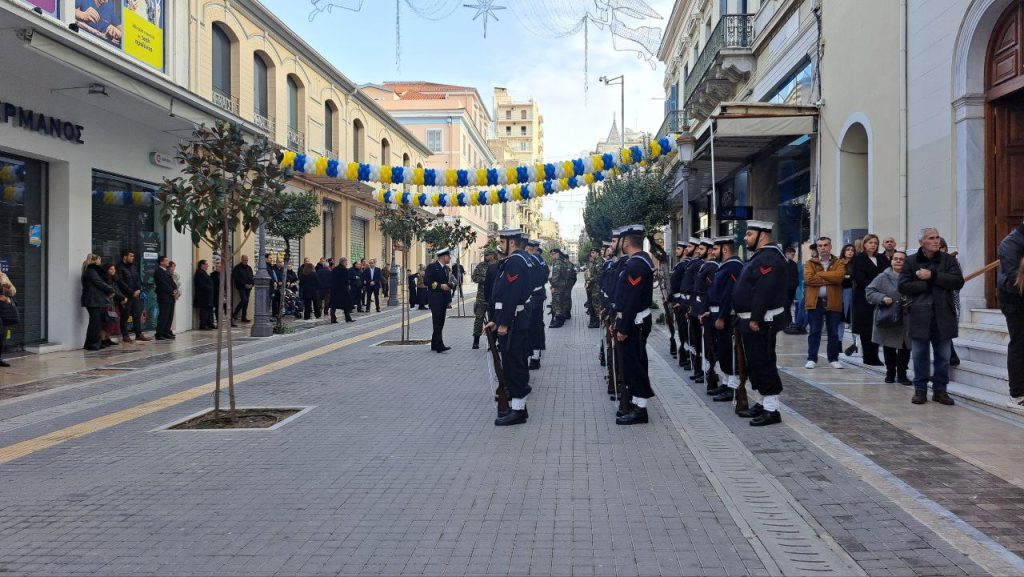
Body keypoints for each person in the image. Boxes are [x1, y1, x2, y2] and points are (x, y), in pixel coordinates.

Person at [899, 227, 965, 406]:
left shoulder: (948, 260)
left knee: (943, 356)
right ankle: (920, 390)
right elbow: (903, 286)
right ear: (922, 242)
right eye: (931, 238)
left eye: (937, 237)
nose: (936, 241)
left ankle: (940, 390)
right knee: (920, 355)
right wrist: (925, 284)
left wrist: (932, 275)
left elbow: (958, 282)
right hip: (919, 314)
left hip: (944, 314)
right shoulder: (911, 261)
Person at [733, 221, 789, 426]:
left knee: (763, 363)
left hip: (761, 322)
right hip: (751, 320)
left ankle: (772, 409)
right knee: (756, 363)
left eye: (749, 234)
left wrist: (755, 318)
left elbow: (764, 291)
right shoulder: (761, 256)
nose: (746, 238)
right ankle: (764, 402)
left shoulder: (769, 257)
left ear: (762, 236)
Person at [486, 229, 535, 426]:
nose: (500, 246)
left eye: (502, 242)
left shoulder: (515, 261)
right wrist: (496, 320)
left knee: (513, 366)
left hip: (513, 322)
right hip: (515, 319)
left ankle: (518, 410)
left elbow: (512, 295)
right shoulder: (524, 259)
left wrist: (503, 322)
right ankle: (518, 407)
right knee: (516, 364)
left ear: (511, 243)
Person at [611, 225, 656, 425]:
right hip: (634, 321)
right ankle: (637, 404)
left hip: (635, 323)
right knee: (632, 365)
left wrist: (623, 327)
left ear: (626, 242)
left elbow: (631, 300)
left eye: (620, 240)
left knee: (635, 365)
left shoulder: (636, 265)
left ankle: (641, 410)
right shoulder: (636, 262)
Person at [707, 237, 745, 406]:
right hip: (719, 314)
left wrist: (722, 316)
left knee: (729, 351)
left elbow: (728, 294)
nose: (712, 252)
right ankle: (727, 382)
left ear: (724, 249)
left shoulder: (733, 266)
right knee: (722, 351)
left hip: (727, 316)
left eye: (715, 249)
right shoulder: (726, 266)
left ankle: (733, 386)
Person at [866, 250, 912, 385]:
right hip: (888, 317)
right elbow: (869, 292)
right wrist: (882, 298)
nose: (898, 261)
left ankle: (902, 374)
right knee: (889, 346)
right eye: (895, 259)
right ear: (891, 261)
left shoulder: (911, 277)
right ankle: (890, 373)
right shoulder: (883, 277)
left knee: (905, 346)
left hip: (907, 317)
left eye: (901, 259)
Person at [804, 237, 846, 370]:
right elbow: (809, 279)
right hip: (815, 301)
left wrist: (821, 274)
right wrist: (830, 277)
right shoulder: (810, 263)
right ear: (817, 248)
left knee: (833, 332)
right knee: (815, 331)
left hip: (833, 301)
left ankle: (833, 358)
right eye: (820, 246)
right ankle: (811, 359)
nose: (823, 248)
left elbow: (839, 278)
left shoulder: (838, 262)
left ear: (830, 247)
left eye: (825, 245)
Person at [851, 234, 889, 366]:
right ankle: (868, 356)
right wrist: (874, 288)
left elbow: (887, 274)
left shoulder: (881, 258)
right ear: (864, 244)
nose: (873, 245)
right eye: (870, 242)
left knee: (877, 327)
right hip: (864, 298)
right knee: (866, 328)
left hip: (880, 296)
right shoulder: (859, 259)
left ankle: (875, 355)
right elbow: (860, 278)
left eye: (875, 243)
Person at [998, 220, 1024, 408]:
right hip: (1015, 302)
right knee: (1019, 344)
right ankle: (1016, 394)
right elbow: (1015, 277)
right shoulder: (1011, 243)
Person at [694, 239, 722, 392]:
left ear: (710, 251)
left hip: (709, 311)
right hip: (702, 309)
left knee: (712, 345)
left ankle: (713, 373)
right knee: (706, 343)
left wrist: (706, 310)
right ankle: (708, 371)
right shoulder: (704, 266)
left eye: (702, 248)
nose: (699, 250)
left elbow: (710, 291)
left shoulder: (712, 267)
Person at [684, 239, 711, 383]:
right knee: (695, 340)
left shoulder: (704, 266)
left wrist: (702, 309)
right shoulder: (699, 265)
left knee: (704, 342)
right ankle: (699, 367)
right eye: (698, 248)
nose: (698, 251)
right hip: (695, 306)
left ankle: (706, 370)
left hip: (701, 309)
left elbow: (705, 291)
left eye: (701, 249)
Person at [671, 239, 698, 370]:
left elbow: (687, 286)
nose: (676, 251)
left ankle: (689, 357)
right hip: (679, 301)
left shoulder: (685, 265)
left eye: (678, 249)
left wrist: (680, 302)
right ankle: (685, 355)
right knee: (682, 332)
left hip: (684, 303)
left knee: (688, 333)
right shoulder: (682, 265)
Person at [81, 254, 116, 351]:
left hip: (95, 299)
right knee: (95, 323)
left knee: (96, 322)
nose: (101, 262)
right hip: (93, 300)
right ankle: (93, 344)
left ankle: (93, 343)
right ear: (95, 261)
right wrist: (110, 289)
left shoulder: (92, 271)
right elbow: (99, 282)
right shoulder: (92, 271)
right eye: (99, 259)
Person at [116, 250, 150, 343]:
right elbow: (120, 282)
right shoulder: (119, 267)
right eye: (131, 256)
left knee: (136, 314)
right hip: (126, 295)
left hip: (136, 295)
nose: (132, 258)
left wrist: (139, 290)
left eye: (133, 256)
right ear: (125, 257)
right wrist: (131, 292)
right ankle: (125, 335)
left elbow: (138, 279)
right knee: (125, 315)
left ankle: (138, 334)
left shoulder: (133, 267)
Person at [525, 240, 549, 368]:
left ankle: (534, 356)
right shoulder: (541, 260)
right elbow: (546, 276)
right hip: (539, 293)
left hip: (533, 296)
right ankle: (539, 347)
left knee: (532, 325)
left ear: (529, 248)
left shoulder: (530, 260)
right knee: (538, 323)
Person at [938, 238, 961, 367]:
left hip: (949, 300)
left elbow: (957, 281)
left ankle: (951, 357)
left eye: (942, 247)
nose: (940, 250)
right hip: (935, 302)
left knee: (944, 332)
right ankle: (952, 356)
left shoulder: (952, 262)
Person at [425, 249, 453, 352]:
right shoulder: (432, 267)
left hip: (443, 300)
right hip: (435, 299)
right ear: (443, 257)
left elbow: (446, 284)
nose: (449, 258)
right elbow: (427, 281)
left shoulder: (446, 269)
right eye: (448, 256)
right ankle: (439, 345)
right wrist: (440, 286)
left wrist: (449, 299)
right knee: (437, 322)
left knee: (441, 322)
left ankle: (434, 344)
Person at [471, 249, 498, 349]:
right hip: (481, 297)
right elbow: (474, 278)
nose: (486, 257)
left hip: (492, 297)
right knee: (479, 318)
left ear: (492, 255)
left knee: (493, 319)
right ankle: (476, 340)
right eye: (485, 255)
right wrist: (485, 280)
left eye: (488, 255)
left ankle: (493, 342)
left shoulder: (497, 265)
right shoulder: (480, 266)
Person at [101, 264, 126, 346]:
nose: (113, 271)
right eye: (111, 269)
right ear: (107, 270)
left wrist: (122, 297)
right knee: (106, 322)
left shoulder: (114, 279)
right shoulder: (105, 279)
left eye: (114, 269)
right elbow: (112, 291)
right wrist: (122, 298)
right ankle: (103, 339)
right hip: (108, 302)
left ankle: (108, 338)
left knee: (111, 321)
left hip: (115, 303)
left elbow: (117, 290)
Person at [837, 244, 856, 345]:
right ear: (843, 251)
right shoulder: (838, 263)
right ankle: (839, 342)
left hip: (854, 291)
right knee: (841, 318)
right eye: (848, 250)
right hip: (841, 291)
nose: (850, 252)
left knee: (854, 318)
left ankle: (855, 344)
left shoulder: (856, 264)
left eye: (852, 250)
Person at [154, 256, 176, 340]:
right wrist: (172, 291)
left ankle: (166, 331)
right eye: (166, 260)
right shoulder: (158, 272)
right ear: (161, 262)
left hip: (170, 297)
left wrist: (175, 289)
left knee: (169, 315)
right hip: (164, 297)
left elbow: (172, 282)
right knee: (163, 315)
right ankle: (159, 333)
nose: (168, 262)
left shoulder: (166, 271)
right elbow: (163, 284)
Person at [548, 247, 570, 328]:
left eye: (553, 254)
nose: (551, 256)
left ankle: (558, 322)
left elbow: (555, 277)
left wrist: (553, 286)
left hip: (557, 287)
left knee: (557, 304)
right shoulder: (563, 262)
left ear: (557, 254)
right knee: (561, 303)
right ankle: (561, 320)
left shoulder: (557, 263)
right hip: (562, 285)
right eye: (551, 254)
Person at [329, 257, 354, 323]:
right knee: (346, 304)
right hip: (343, 289)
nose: (346, 263)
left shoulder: (335, 269)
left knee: (333, 305)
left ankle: (333, 319)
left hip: (335, 289)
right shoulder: (344, 270)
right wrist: (348, 284)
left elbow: (332, 278)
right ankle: (348, 318)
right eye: (346, 262)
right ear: (343, 262)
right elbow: (346, 280)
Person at [193, 260, 215, 330]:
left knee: (209, 310)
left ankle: (210, 323)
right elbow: (201, 284)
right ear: (202, 265)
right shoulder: (199, 273)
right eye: (206, 264)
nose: (207, 265)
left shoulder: (204, 273)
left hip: (208, 295)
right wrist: (209, 288)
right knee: (204, 311)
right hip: (203, 296)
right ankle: (203, 325)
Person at [0, 267, 15, 367]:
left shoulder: (3, 276)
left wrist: (8, 287)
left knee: (2, 335)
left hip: (2, 309)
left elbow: (13, 292)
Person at [232, 255, 254, 323]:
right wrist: (244, 284)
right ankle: (235, 314)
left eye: (247, 260)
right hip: (241, 287)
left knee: (246, 302)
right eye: (245, 260)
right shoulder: (237, 268)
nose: (246, 261)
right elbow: (236, 278)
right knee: (244, 300)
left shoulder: (249, 268)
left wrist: (252, 284)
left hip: (249, 288)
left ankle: (243, 317)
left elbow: (252, 277)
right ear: (241, 260)